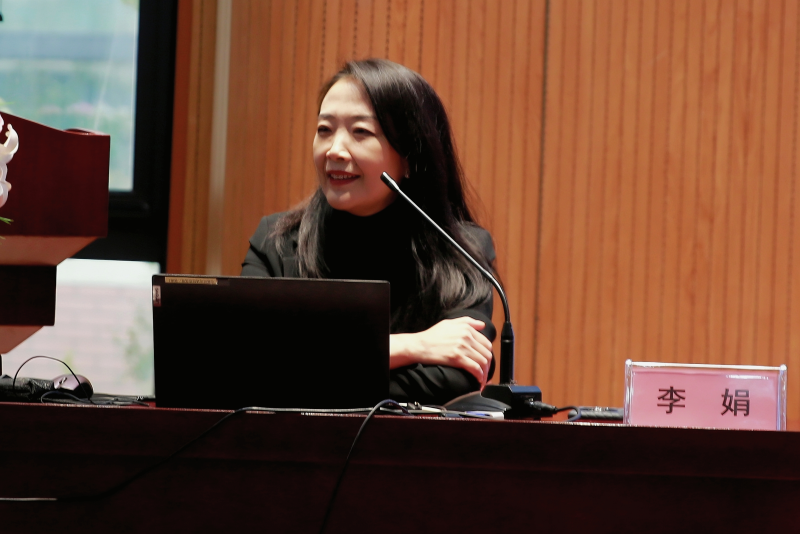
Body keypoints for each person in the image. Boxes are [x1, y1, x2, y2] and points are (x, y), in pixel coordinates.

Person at [241, 58, 499, 405]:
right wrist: (410, 346)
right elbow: (250, 365)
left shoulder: (461, 249)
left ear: (410, 157)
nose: (334, 150)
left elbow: (456, 378)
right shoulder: (275, 242)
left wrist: (311, 368)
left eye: (360, 132)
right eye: (324, 129)